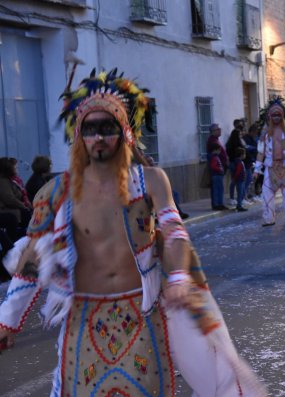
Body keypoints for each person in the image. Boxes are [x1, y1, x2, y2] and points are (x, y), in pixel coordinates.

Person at [0, 69, 265, 396]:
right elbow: (31, 261)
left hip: (141, 317)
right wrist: (6, 320)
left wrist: (180, 277)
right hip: (83, 322)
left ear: (125, 132)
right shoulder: (57, 193)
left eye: (108, 128)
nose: (99, 137)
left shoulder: (150, 180)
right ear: (79, 136)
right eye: (90, 129)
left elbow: (174, 232)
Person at [253, 96, 285, 226]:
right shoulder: (265, 133)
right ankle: (269, 219)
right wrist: (257, 169)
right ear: (269, 116)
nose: (276, 117)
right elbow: (260, 152)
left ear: (282, 116)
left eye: (278, 115)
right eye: (273, 115)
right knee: (266, 193)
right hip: (270, 167)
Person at [207, 123, 229, 210]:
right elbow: (212, 157)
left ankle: (220, 203)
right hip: (217, 170)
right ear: (212, 131)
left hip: (220, 168)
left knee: (220, 187)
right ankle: (217, 204)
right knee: (217, 188)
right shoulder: (212, 140)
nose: (220, 130)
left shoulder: (216, 139)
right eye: (217, 129)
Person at [226, 121, 247, 207]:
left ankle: (235, 200)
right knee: (238, 184)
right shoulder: (237, 145)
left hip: (232, 162)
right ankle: (239, 202)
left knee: (234, 182)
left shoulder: (230, 143)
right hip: (235, 163)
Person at [231, 147, 248, 211]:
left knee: (241, 193)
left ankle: (239, 205)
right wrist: (235, 178)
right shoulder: (239, 162)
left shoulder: (237, 161)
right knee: (240, 193)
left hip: (240, 180)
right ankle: (239, 206)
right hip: (240, 180)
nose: (245, 155)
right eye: (244, 154)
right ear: (241, 155)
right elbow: (238, 171)